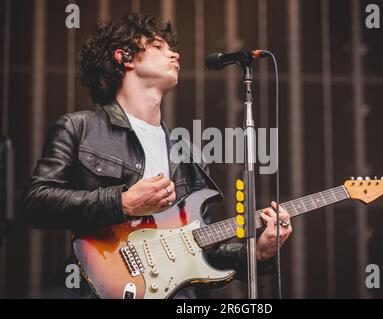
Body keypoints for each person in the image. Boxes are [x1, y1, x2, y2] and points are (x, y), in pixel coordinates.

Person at [22, 13, 292, 299]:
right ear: (124, 57)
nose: (174, 53)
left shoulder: (190, 157)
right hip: (95, 289)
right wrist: (122, 202)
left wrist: (257, 253)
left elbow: (200, 251)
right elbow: (35, 202)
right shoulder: (80, 128)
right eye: (157, 46)